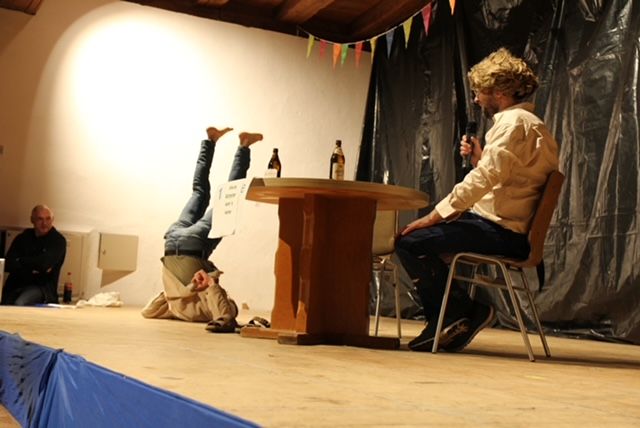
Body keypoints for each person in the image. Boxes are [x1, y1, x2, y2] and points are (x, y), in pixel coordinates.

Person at [395, 48, 559, 352]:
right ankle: (456, 315)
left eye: (479, 92)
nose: (475, 99)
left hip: (503, 233)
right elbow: (510, 179)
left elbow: (483, 179)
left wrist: (436, 215)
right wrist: (480, 157)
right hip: (509, 230)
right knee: (422, 240)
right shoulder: (532, 125)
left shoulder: (511, 125)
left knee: (409, 241)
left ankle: (457, 314)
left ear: (499, 92)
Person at [142, 126, 263, 333]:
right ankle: (210, 141)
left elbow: (225, 316)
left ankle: (244, 146)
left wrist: (211, 284)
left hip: (194, 246)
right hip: (171, 241)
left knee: (229, 196)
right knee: (199, 192)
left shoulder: (208, 311)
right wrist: (179, 290)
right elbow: (148, 311)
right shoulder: (174, 308)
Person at [1, 205, 67, 305]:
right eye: (40, 219)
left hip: (41, 288)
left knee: (20, 303)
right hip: (16, 284)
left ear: (52, 219)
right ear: (32, 220)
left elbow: (44, 265)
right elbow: (8, 264)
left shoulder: (58, 240)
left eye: (48, 219)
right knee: (5, 304)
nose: (44, 223)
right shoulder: (23, 237)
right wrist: (34, 267)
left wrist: (20, 260)